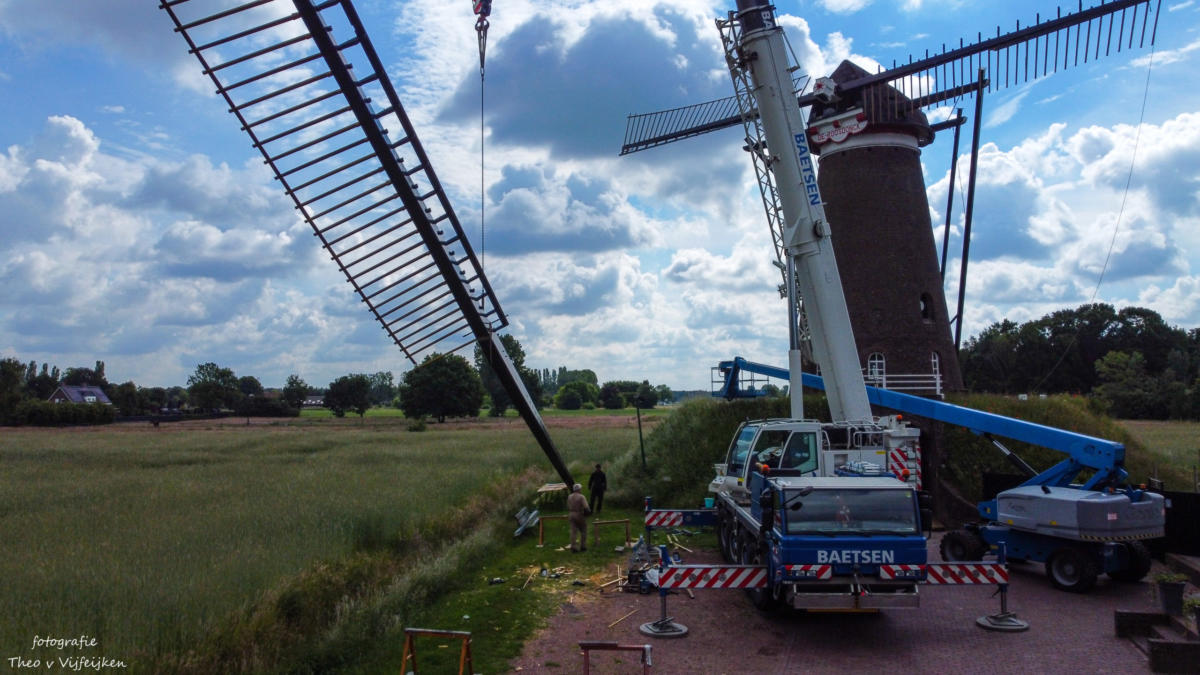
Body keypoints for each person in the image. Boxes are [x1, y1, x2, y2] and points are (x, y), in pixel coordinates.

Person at [567, 483, 591, 552]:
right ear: (579, 489)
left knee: (573, 531)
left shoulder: (569, 496)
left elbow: (568, 506)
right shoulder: (581, 497)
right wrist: (588, 513)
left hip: (571, 514)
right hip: (579, 514)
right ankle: (583, 546)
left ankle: (573, 546)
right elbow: (586, 507)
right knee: (583, 530)